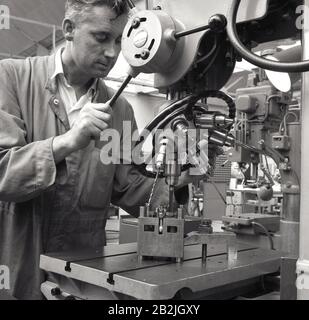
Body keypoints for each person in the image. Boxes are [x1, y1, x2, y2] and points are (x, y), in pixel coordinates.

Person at [0, 0, 215, 300]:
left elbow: (128, 188)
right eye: (101, 38)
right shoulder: (10, 77)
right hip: (19, 267)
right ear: (69, 29)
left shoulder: (120, 109)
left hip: (84, 274)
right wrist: (67, 141)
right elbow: (3, 175)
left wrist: (176, 179)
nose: (112, 53)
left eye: (118, 41)